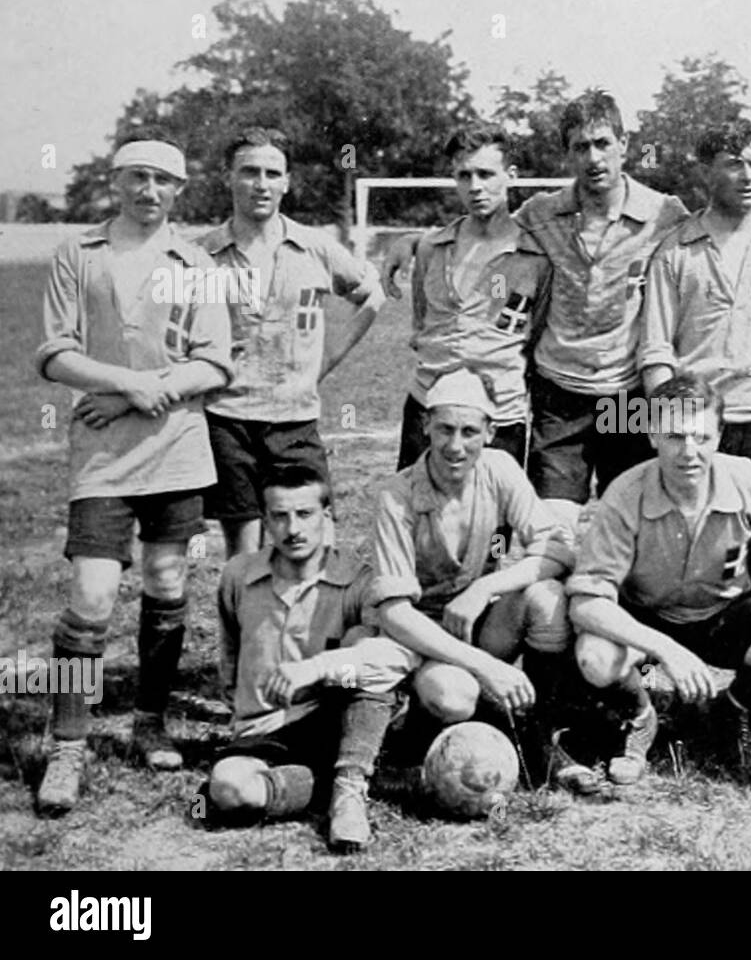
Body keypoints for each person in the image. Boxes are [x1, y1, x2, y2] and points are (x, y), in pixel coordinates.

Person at [35, 134, 233, 813]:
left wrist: (138, 390)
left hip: (177, 442)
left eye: (164, 181)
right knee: (90, 598)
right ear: (116, 182)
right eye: (138, 177)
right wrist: (124, 384)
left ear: (180, 191)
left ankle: (151, 717)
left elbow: (215, 361)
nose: (150, 191)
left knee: (167, 580)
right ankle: (68, 740)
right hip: (101, 453)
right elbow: (55, 352)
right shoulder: (78, 254)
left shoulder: (196, 260)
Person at [568, 374, 751, 781]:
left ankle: (731, 710)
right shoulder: (625, 493)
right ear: (652, 435)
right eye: (675, 436)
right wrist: (667, 650)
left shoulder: (745, 477)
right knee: (595, 659)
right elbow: (586, 604)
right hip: (648, 613)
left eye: (701, 437)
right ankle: (641, 716)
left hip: (725, 610)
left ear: (719, 435)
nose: (689, 452)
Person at [366, 369, 592, 790]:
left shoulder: (499, 468)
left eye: (469, 431)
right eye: (445, 429)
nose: (456, 446)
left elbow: (558, 549)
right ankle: (418, 734)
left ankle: (539, 736)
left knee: (547, 599)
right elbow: (394, 614)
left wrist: (485, 587)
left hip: (478, 621)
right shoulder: (396, 496)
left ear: (489, 432)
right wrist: (487, 667)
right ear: (425, 427)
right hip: (423, 639)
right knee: (454, 697)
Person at [640, 118, 751, 601]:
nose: (747, 176)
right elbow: (656, 350)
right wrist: (670, 427)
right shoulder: (674, 251)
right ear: (705, 172)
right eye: (733, 165)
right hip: (699, 427)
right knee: (691, 554)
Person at [200, 127, 384, 558]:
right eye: (248, 172)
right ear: (228, 177)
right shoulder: (201, 255)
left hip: (294, 419)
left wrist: (323, 363)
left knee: (314, 548)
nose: (260, 184)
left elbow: (369, 294)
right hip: (226, 419)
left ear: (287, 181)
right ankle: (242, 627)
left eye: (271, 173)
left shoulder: (315, 247)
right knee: (244, 558)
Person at [514, 90, 689, 528]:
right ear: (567, 154)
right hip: (560, 395)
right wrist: (413, 242)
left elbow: (714, 237)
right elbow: (484, 234)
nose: (594, 158)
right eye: (580, 146)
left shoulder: (663, 214)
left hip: (625, 391)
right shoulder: (541, 214)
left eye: (603, 143)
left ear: (624, 145)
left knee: (631, 523)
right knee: (553, 529)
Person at [208, 465, 405, 853]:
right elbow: (230, 646)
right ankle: (341, 784)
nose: (292, 529)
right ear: (264, 520)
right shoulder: (238, 575)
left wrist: (318, 669)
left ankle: (348, 786)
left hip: (332, 719)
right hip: (263, 730)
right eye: (279, 516)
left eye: (304, 514)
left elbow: (385, 660)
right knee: (229, 790)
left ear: (327, 517)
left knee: (364, 658)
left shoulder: (357, 580)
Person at [396, 122, 553, 470]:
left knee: (494, 523)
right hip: (429, 408)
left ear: (510, 175)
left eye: (486, 174)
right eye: (464, 176)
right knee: (420, 514)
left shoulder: (537, 258)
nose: (475, 187)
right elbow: (422, 324)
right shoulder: (431, 249)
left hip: (499, 414)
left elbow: (536, 336)